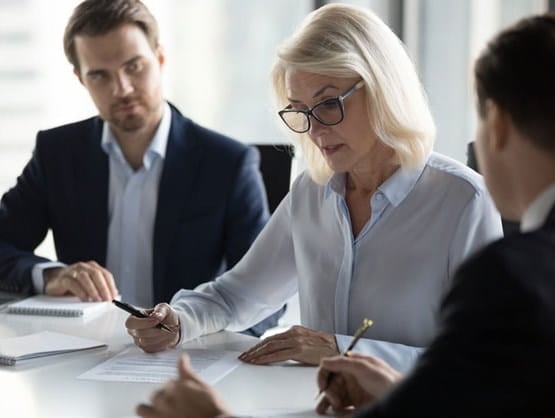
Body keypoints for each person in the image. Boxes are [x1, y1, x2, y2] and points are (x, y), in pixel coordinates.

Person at [134, 11, 555, 418]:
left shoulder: (463, 200)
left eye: (329, 104)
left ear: (382, 89)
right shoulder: (311, 193)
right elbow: (238, 294)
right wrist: (180, 319)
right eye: (301, 110)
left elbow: (476, 373)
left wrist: (344, 349)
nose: (315, 131)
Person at [0, 0, 283, 337]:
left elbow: (266, 299)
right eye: (100, 75)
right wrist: (50, 276)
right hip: (82, 358)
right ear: (80, 79)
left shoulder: (228, 163)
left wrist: (196, 333)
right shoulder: (57, 153)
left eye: (133, 66)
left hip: (188, 359)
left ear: (160, 58)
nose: (122, 88)